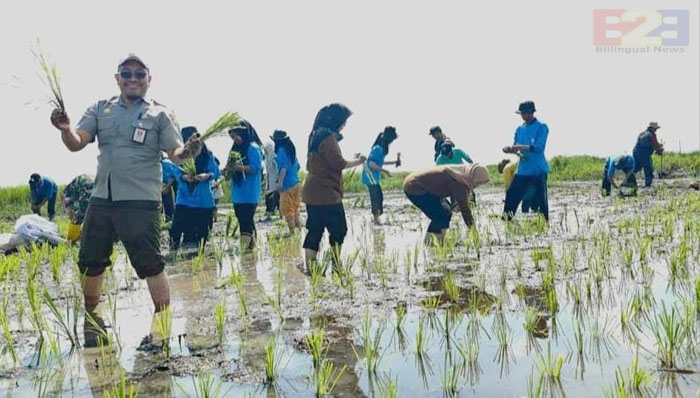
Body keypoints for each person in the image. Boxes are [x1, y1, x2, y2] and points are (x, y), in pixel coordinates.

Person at [49, 54, 202, 348]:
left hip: (140, 201)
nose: (133, 79)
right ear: (117, 78)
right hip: (102, 199)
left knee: (150, 264)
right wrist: (65, 130)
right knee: (91, 260)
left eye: (139, 74)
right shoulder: (100, 109)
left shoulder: (159, 115)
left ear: (149, 80)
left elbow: (176, 154)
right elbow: (77, 143)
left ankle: (162, 331)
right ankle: (92, 321)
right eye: (127, 73)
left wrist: (190, 150)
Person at [302, 103, 366, 269]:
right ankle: (336, 263)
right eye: (343, 121)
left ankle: (311, 267)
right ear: (335, 120)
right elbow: (338, 163)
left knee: (315, 230)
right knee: (339, 230)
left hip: (312, 190)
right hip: (326, 192)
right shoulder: (328, 138)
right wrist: (358, 161)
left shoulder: (315, 135)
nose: (344, 125)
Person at [403, 164, 490, 244]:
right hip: (414, 187)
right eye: (476, 184)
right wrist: (475, 234)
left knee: (446, 211)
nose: (475, 187)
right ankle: (430, 243)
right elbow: (465, 211)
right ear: (473, 178)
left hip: (420, 184)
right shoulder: (459, 182)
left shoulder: (461, 173)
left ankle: (440, 241)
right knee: (440, 215)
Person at [169, 127, 221, 250]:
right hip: (184, 201)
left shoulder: (207, 155)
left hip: (203, 202)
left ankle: (201, 266)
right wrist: (184, 177)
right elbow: (175, 171)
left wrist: (206, 176)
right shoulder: (180, 155)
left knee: (201, 241)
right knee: (175, 236)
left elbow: (216, 172)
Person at [502, 101, 550, 221]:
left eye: (525, 113)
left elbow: (539, 147)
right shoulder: (519, 129)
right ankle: (507, 222)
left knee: (541, 203)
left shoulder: (542, 127)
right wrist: (510, 150)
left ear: (531, 112)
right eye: (521, 113)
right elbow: (516, 147)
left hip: (538, 170)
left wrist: (521, 147)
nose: (523, 116)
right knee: (511, 197)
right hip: (523, 170)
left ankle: (544, 225)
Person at [224, 120, 263, 251]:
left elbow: (255, 168)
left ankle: (244, 254)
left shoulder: (253, 148)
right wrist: (227, 170)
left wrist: (237, 167)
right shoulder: (234, 150)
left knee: (245, 222)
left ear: (243, 133)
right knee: (245, 222)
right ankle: (251, 252)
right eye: (232, 137)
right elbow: (229, 170)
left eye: (235, 136)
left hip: (250, 193)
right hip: (238, 193)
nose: (234, 140)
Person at [361, 126, 399, 224]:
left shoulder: (380, 148)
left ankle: (377, 217)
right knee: (376, 197)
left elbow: (379, 163)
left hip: (373, 176)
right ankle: (376, 220)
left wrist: (394, 162)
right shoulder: (378, 148)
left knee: (379, 196)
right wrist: (385, 171)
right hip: (370, 175)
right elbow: (371, 164)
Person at [271, 130, 303, 232]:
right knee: (296, 208)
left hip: (287, 185)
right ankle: (299, 232)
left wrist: (279, 183)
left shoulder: (281, 150)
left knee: (288, 210)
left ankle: (292, 233)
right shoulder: (291, 151)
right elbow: (298, 167)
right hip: (297, 182)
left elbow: (283, 168)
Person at [62, 174, 94, 242]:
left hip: (87, 186)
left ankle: (71, 240)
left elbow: (77, 212)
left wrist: (73, 218)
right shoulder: (71, 192)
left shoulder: (71, 191)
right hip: (94, 186)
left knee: (80, 216)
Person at [632, 122, 663, 188]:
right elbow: (655, 145)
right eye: (655, 129)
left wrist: (657, 146)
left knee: (636, 167)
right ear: (652, 128)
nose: (656, 130)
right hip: (644, 153)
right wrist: (660, 149)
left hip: (636, 152)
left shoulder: (642, 134)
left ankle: (628, 179)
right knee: (648, 168)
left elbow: (650, 144)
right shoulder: (652, 135)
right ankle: (648, 185)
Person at [262, 142, 280, 222]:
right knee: (270, 198)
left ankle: (280, 215)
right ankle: (269, 215)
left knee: (275, 198)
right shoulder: (267, 158)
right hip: (269, 181)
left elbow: (277, 169)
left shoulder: (273, 158)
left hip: (274, 181)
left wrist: (278, 180)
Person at [160, 155, 178, 222]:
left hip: (175, 180)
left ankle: (170, 218)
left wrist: (167, 187)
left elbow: (173, 176)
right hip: (163, 182)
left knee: (169, 199)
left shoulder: (166, 163)